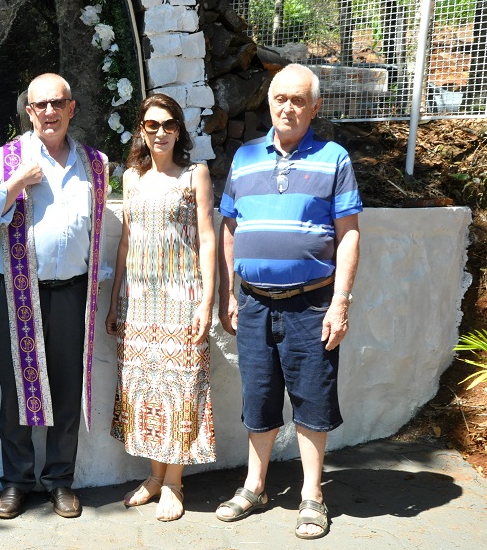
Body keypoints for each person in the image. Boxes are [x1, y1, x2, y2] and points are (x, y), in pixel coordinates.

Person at [215, 63, 361, 540]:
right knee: (257, 396)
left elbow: (348, 235)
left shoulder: (334, 158)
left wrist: (340, 301)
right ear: (270, 102)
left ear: (315, 107)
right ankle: (255, 486)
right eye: (281, 98)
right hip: (254, 302)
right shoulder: (245, 157)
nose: (288, 107)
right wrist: (230, 295)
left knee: (312, 398)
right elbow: (230, 228)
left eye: (299, 100)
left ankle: (312, 496)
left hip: (312, 304)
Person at [0, 73, 109, 520]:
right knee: (15, 392)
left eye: (57, 103)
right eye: (39, 105)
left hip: (72, 293)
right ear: (29, 112)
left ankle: (60, 482)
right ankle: (16, 482)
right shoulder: (7, 159)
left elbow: (96, 231)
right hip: (17, 293)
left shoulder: (95, 163)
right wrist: (14, 185)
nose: (48, 111)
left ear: (72, 108)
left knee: (67, 389)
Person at [104, 93, 217, 522]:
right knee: (146, 390)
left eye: (169, 124)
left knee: (182, 388)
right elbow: (127, 242)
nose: (161, 132)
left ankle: (174, 482)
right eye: (152, 125)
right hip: (139, 304)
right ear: (142, 131)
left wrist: (207, 299)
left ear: (179, 130)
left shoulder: (194, 175)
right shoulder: (132, 178)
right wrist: (116, 300)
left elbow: (207, 238)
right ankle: (155, 477)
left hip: (182, 298)